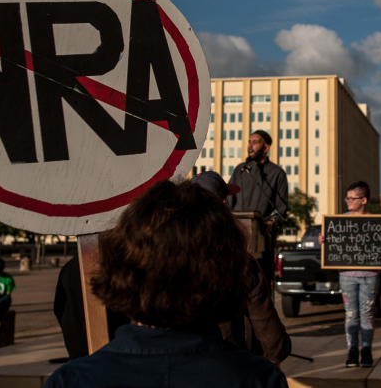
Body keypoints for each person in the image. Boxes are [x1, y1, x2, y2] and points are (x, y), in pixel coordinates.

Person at [45, 180, 287, 388]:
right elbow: (272, 338)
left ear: (124, 268)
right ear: (227, 273)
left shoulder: (71, 381)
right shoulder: (260, 379)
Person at [192, 170, 291, 365]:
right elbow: (274, 342)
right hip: (225, 365)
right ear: (222, 206)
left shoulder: (162, 257)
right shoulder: (240, 263)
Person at [322, 181, 381, 368]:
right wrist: (324, 240)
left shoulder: (378, 222)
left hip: (370, 275)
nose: (347, 201)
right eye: (347, 198)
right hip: (346, 274)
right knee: (351, 314)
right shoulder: (340, 222)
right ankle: (352, 351)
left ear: (363, 200)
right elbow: (332, 244)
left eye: (351, 198)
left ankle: (366, 350)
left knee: (367, 314)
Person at [229, 130, 288, 278]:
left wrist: (270, 223)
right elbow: (229, 201)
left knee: (260, 285)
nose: (250, 146)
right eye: (249, 142)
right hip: (238, 238)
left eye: (255, 142)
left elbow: (281, 208)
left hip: (261, 240)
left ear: (266, 148)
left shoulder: (277, 173)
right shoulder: (240, 170)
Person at [53, 257, 128, 360]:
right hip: (113, 347)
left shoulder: (70, 267)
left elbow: (59, 308)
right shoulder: (117, 265)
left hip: (78, 346)